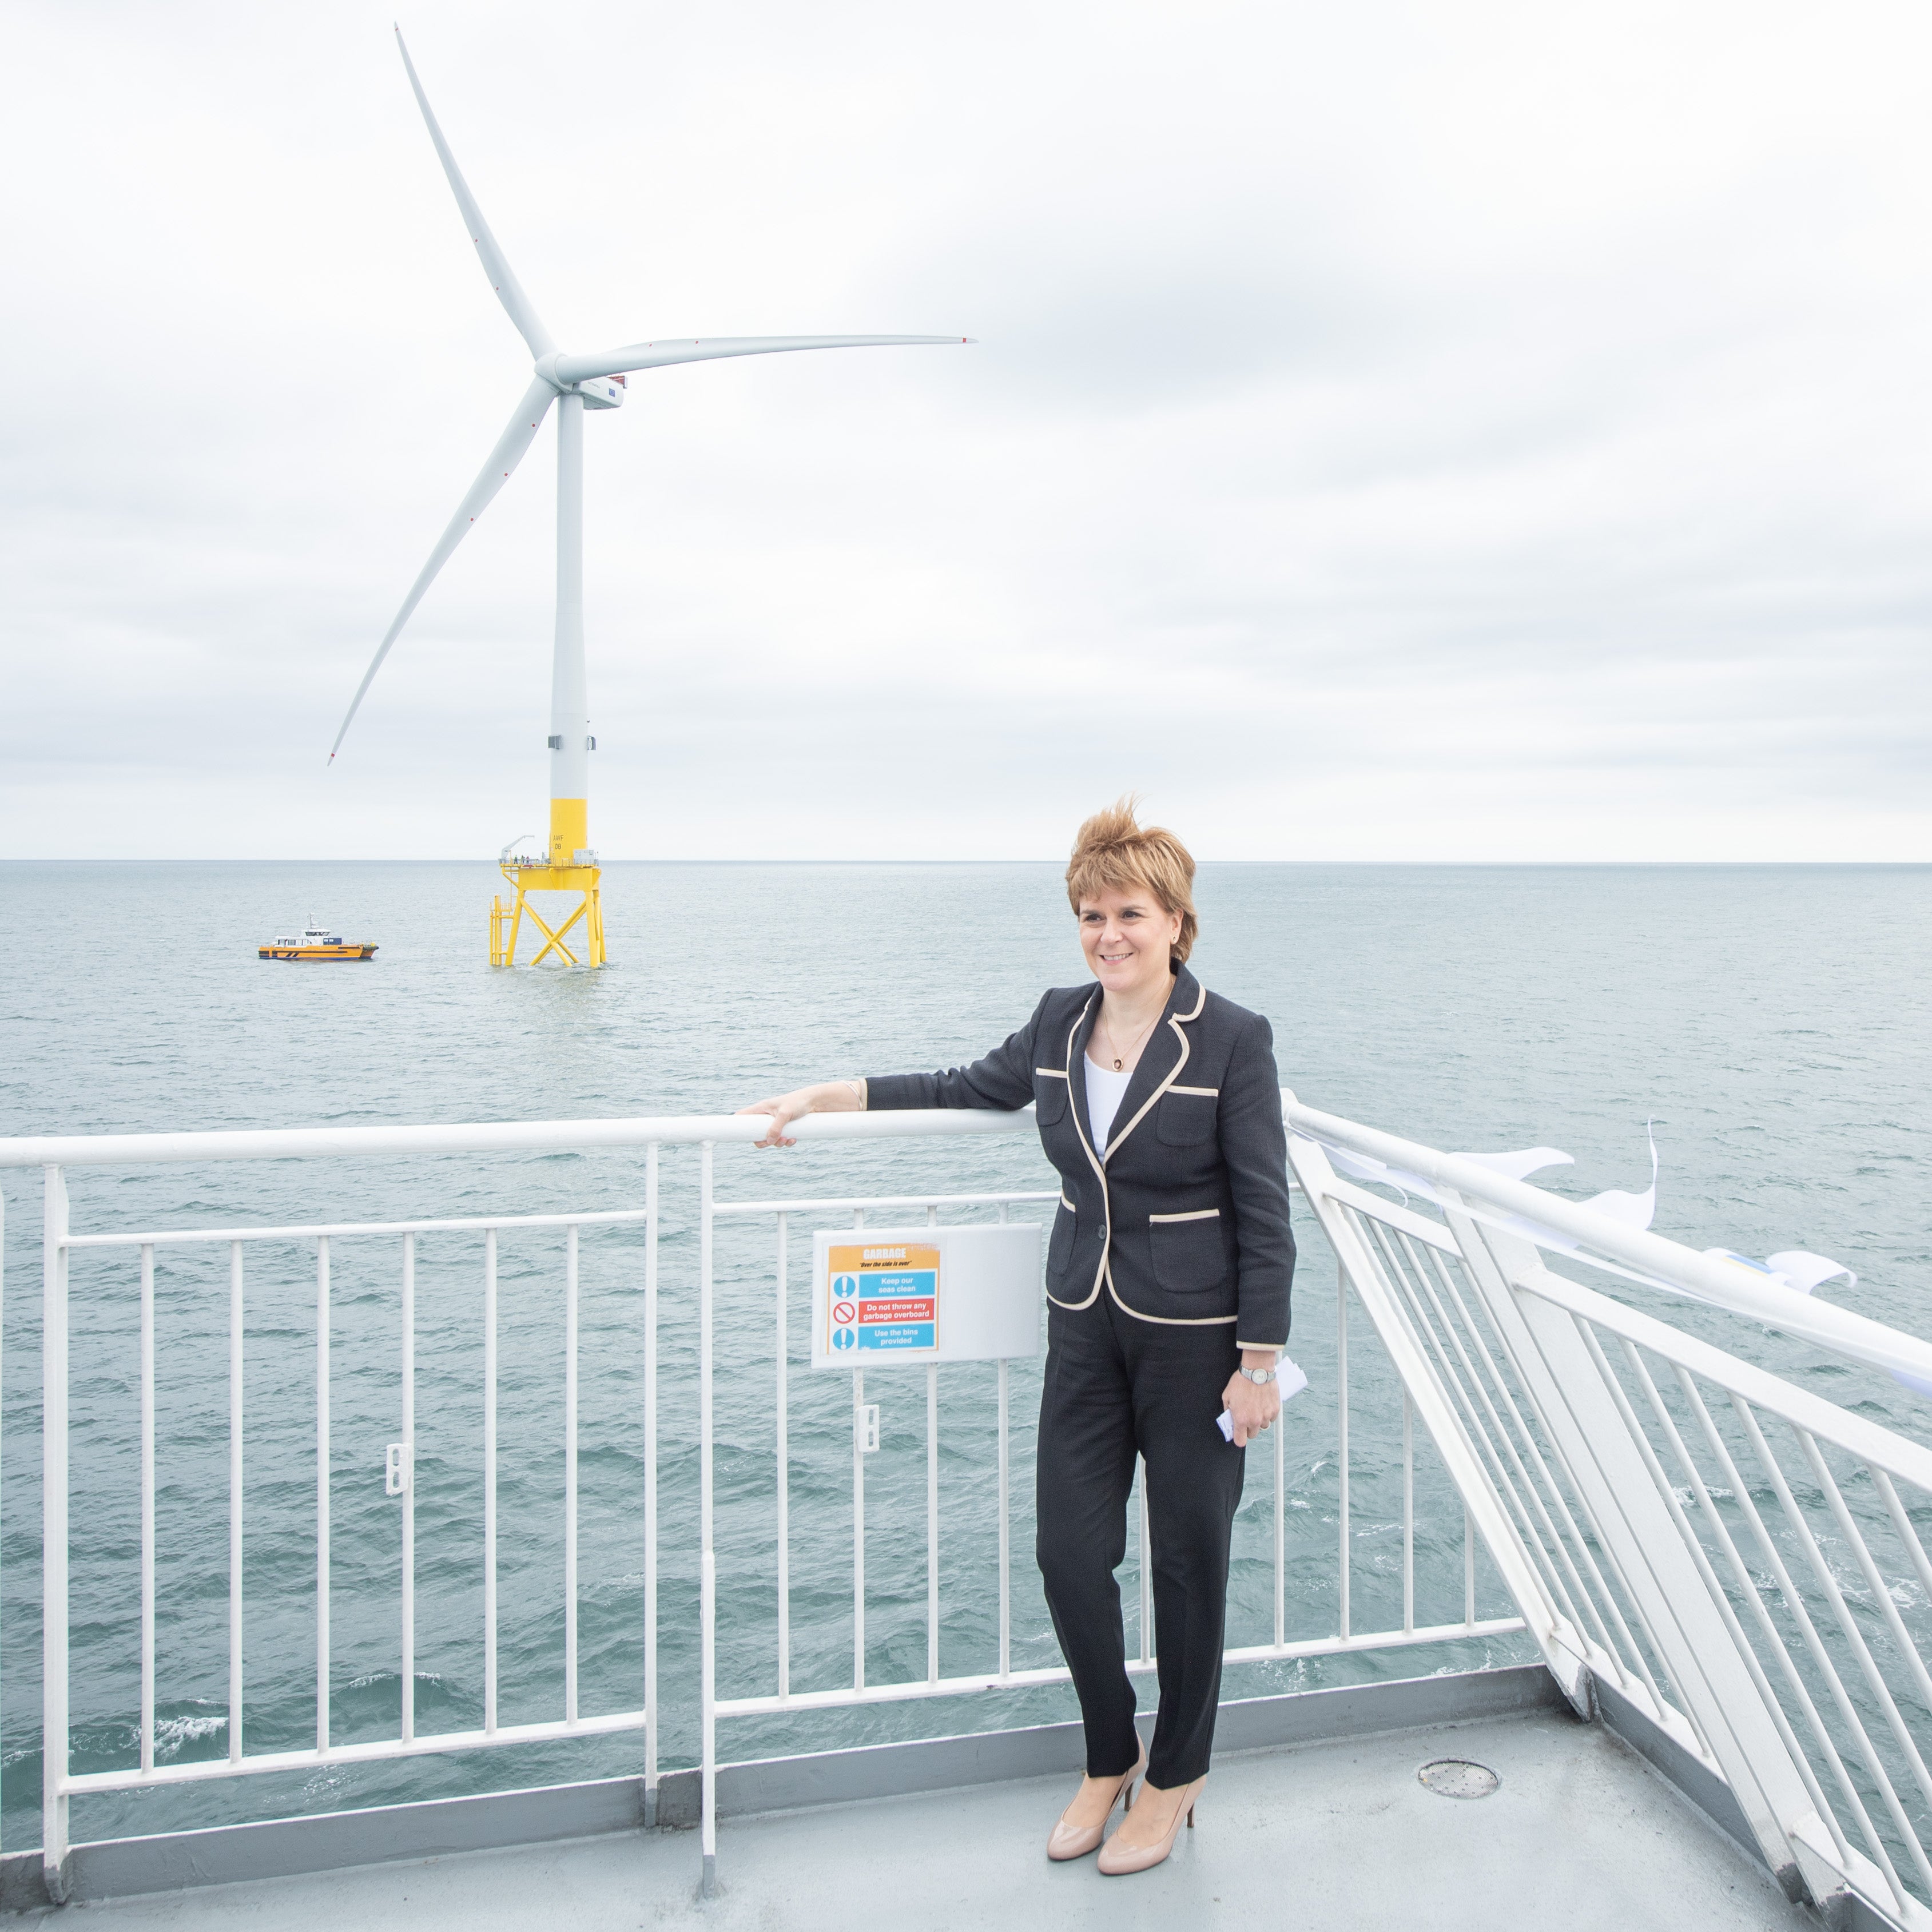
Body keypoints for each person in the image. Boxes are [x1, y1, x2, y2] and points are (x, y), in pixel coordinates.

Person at [739, 800, 1295, 1877]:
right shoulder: (1057, 1022)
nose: (1108, 934)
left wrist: (1257, 1363)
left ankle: (1175, 1777)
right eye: (1090, 914)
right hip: (1083, 1329)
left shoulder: (1231, 1038)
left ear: (1177, 920)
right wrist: (827, 1093)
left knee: (1189, 1564)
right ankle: (1108, 1751)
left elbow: (1263, 1210)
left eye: (1129, 912)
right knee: (1069, 1553)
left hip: (1196, 1343)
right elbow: (962, 1085)